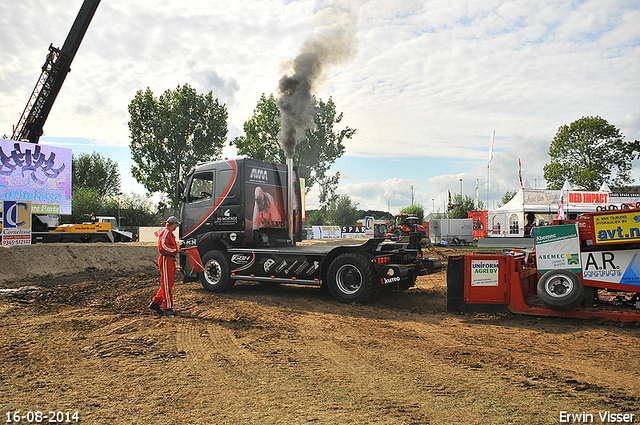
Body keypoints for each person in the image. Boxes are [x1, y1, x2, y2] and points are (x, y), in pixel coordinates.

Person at [149, 216, 184, 316]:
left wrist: (178, 250)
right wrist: (176, 250)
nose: (176, 226)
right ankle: (167, 308)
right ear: (172, 224)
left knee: (168, 283)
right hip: (165, 259)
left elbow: (168, 246)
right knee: (167, 284)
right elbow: (163, 246)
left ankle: (155, 303)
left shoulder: (170, 233)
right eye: (176, 224)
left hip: (169, 259)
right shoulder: (165, 232)